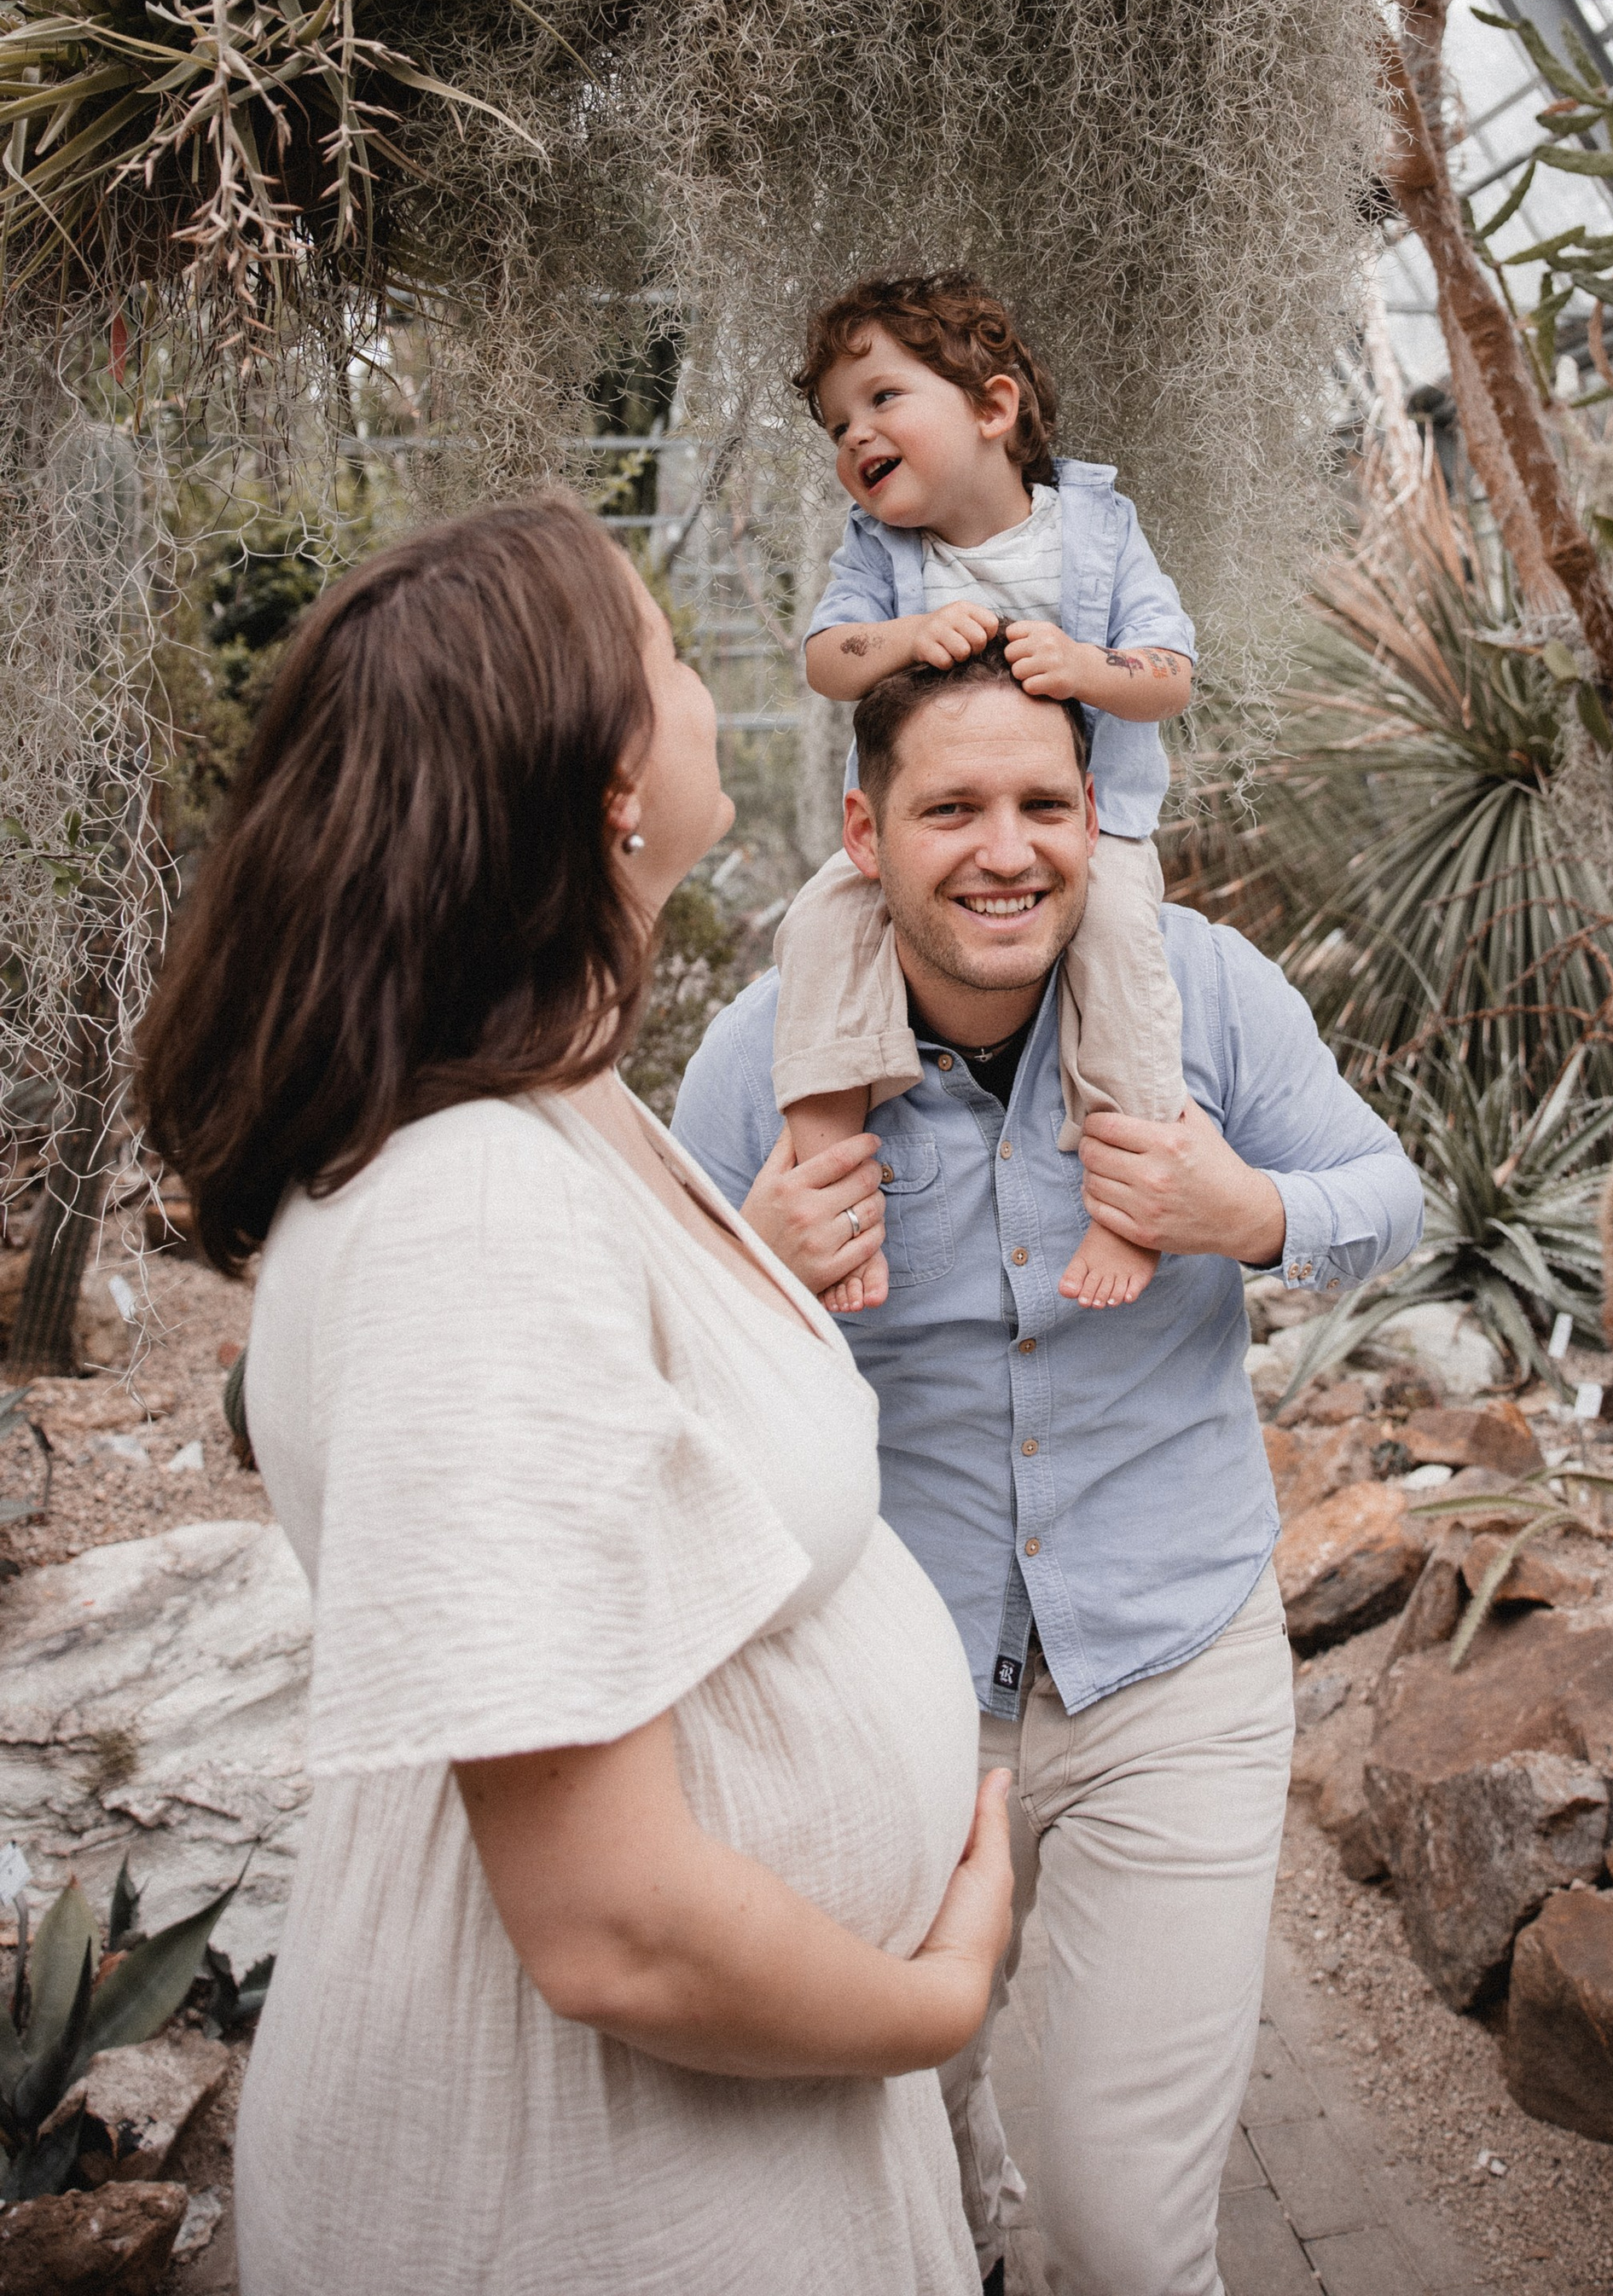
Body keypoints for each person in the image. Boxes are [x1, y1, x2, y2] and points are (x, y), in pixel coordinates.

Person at [136, 499, 1014, 2296]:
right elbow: (614, 1928)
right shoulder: (474, 1204)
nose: (708, 690)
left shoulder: (557, 1109)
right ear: (606, 774)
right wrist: (929, 2003)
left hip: (720, 2141)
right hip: (582, 2186)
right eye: (674, 656)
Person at [672, 641, 1423, 2296]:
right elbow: (640, 1375)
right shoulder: (760, 1060)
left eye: (1041, 804)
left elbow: (1393, 1193)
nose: (1003, 849)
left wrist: (1255, 1217)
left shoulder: (1206, 992)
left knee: (1124, 2229)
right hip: (890, 1693)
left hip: (1171, 1669)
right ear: (865, 837)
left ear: (1095, 818)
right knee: (906, 2158)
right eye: (951, 808)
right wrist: (748, 1259)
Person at [778, 271, 1196, 1313]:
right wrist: (907, 638)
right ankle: (831, 1186)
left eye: (881, 398)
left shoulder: (1096, 531)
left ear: (992, 408)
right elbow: (828, 659)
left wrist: (1086, 670)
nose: (854, 435)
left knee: (1120, 951)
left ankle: (1131, 1192)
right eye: (837, 423)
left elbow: (1171, 676)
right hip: (921, 847)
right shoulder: (878, 553)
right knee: (821, 921)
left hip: (1084, 841)